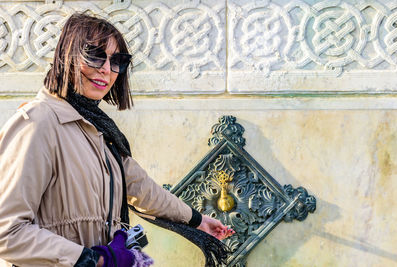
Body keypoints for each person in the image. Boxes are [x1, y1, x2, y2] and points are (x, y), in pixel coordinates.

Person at [0, 13, 231, 267]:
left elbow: (144, 190)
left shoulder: (99, 131)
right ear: (68, 56)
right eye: (96, 55)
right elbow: (7, 233)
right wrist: (96, 260)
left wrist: (197, 220)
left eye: (117, 61)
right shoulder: (37, 123)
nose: (107, 70)